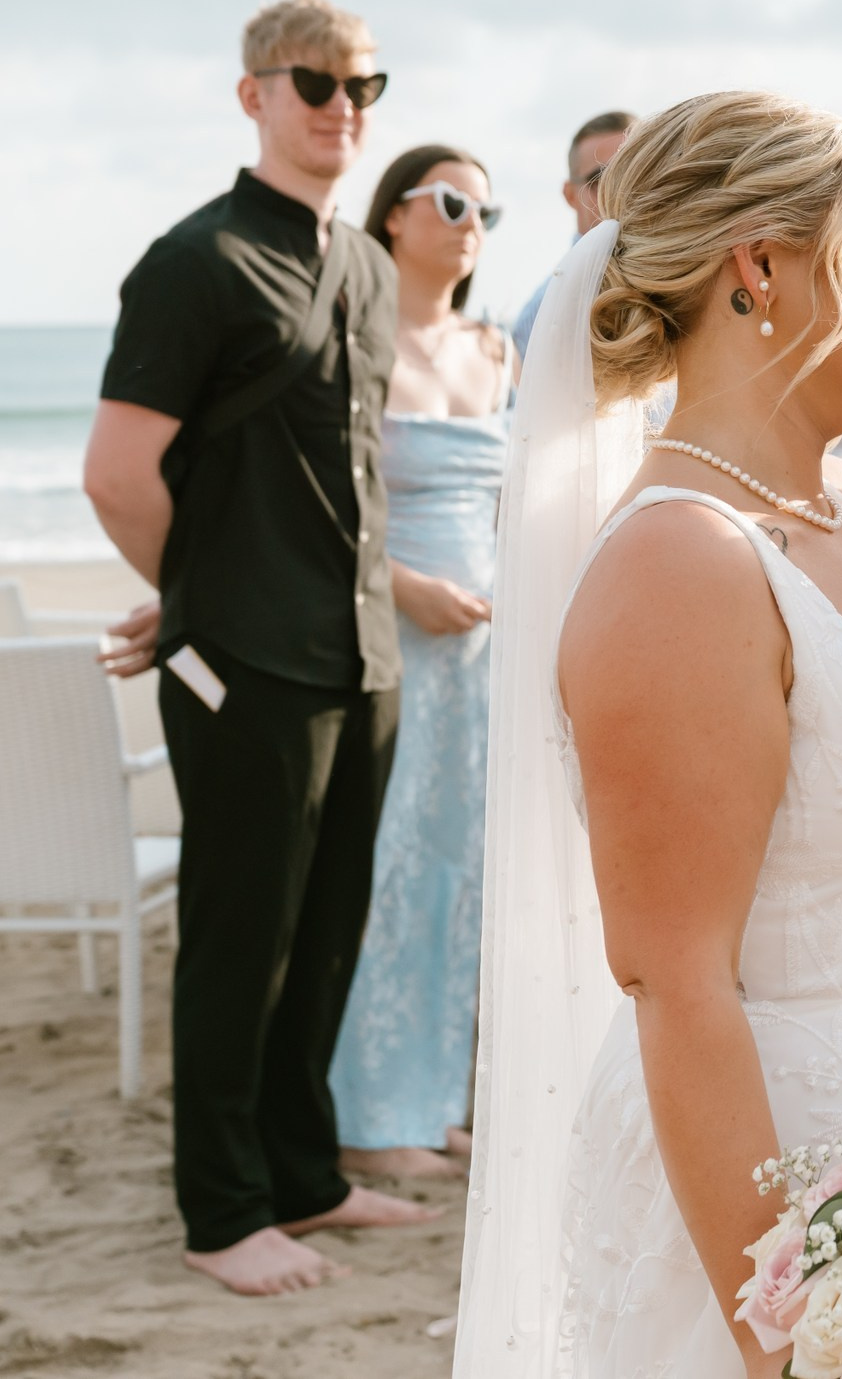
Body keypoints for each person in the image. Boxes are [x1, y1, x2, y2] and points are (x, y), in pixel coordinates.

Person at [451, 91, 842, 1377]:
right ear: (762, 267)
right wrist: (797, 1331)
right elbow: (676, 984)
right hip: (811, 1186)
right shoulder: (681, 563)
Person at [82, 0, 436, 1297]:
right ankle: (223, 1209)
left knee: (329, 926)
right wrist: (195, 600)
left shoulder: (362, 265)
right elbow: (118, 472)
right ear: (254, 94)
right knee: (243, 936)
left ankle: (301, 1172)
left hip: (360, 650)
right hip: (243, 659)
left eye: (364, 84)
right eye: (316, 82)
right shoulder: (196, 261)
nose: (343, 105)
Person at [327, 144, 515, 1180]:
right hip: (391, 624)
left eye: (487, 208)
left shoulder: (495, 351)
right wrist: (412, 592)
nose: (472, 220)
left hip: (486, 640)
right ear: (394, 215)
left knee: (464, 867)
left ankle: (437, 1097)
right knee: (389, 861)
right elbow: (333, 504)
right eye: (450, 201)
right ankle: (369, 1116)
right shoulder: (353, 337)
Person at [511, 110, 634, 355]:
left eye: (634, 172)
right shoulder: (541, 315)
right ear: (570, 195)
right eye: (601, 178)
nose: (621, 190)